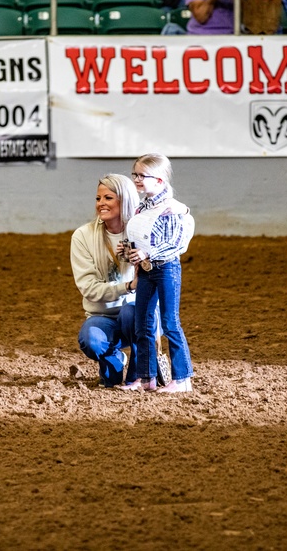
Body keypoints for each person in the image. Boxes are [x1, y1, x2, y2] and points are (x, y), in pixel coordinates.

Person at [119, 153, 195, 394]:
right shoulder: (143, 208)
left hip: (166, 269)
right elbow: (141, 239)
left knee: (170, 322)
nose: (137, 179)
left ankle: (182, 378)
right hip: (148, 271)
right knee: (143, 324)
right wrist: (128, 251)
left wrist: (146, 255)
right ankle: (146, 377)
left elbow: (175, 243)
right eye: (135, 175)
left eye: (142, 175)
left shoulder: (171, 208)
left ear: (160, 180)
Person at [70, 174, 147, 388]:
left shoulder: (143, 233)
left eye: (108, 198)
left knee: (131, 313)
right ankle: (115, 359)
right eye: (98, 198)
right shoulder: (82, 236)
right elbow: (88, 288)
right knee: (91, 340)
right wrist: (129, 286)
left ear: (125, 200)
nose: (101, 204)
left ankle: (139, 372)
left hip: (136, 314)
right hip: (102, 315)